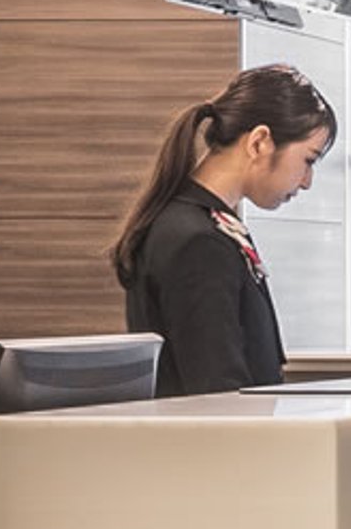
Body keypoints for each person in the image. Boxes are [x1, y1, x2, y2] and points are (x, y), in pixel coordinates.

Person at [109, 64, 337, 394]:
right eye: (308, 160)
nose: (307, 182)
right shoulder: (198, 242)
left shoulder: (206, 226)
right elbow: (216, 388)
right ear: (260, 142)